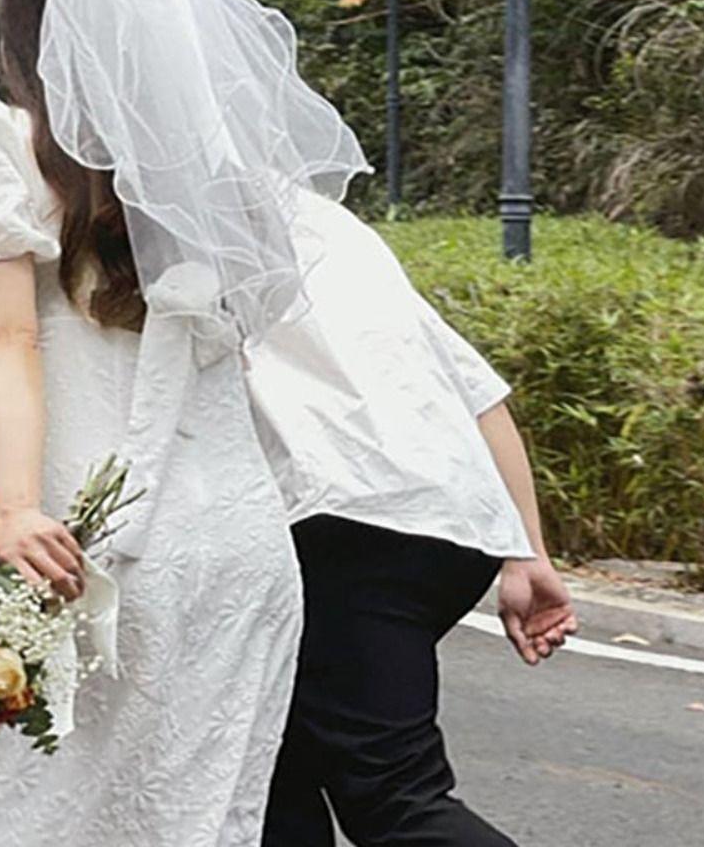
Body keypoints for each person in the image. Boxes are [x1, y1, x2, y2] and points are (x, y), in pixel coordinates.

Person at [0, 0, 375, 847]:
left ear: (24, 41)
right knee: (194, 815)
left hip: (85, 542)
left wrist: (11, 512)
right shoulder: (220, 186)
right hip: (237, 552)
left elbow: (6, 341)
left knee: (15, 812)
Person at [243, 188, 579, 846]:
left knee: (394, 799)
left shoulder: (191, 226)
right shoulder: (330, 224)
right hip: (447, 525)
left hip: (346, 523)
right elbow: (477, 392)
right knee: (267, 778)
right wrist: (527, 554)